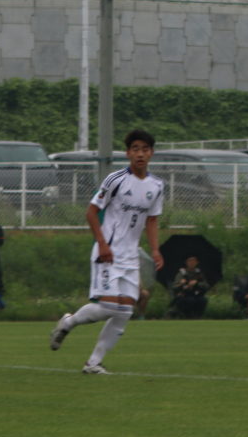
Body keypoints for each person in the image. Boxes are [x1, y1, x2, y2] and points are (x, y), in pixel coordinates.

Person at [50, 129, 165, 374]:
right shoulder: (116, 179)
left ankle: (93, 363)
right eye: (135, 149)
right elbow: (91, 212)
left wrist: (155, 250)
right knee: (110, 307)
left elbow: (152, 220)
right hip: (108, 253)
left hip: (131, 257)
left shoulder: (156, 185)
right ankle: (69, 322)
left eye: (145, 149)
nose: (140, 154)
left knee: (125, 311)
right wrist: (102, 244)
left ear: (151, 153)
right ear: (128, 153)